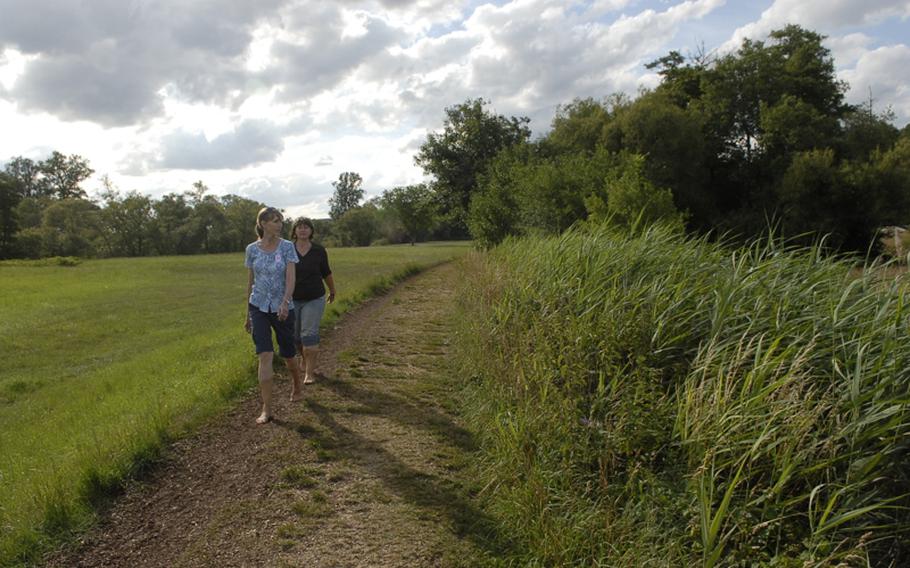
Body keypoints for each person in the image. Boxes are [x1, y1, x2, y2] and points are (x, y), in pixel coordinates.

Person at [244, 206, 304, 424]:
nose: (279, 224)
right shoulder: (251, 249)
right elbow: (250, 282)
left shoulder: (287, 247)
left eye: (280, 221)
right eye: (274, 221)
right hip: (258, 306)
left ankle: (297, 383)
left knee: (288, 354)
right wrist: (247, 315)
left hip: (282, 308)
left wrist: (285, 302)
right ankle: (267, 409)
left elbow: (290, 278)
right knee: (265, 355)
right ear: (262, 224)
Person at [290, 218, 336, 385]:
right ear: (294, 231)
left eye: (306, 227)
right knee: (296, 337)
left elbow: (326, 272)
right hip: (292, 299)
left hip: (314, 298)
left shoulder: (318, 250)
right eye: (299, 227)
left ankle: (309, 373)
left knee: (309, 335)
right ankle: (304, 358)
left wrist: (332, 290)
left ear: (311, 231)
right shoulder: (287, 249)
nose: (302, 230)